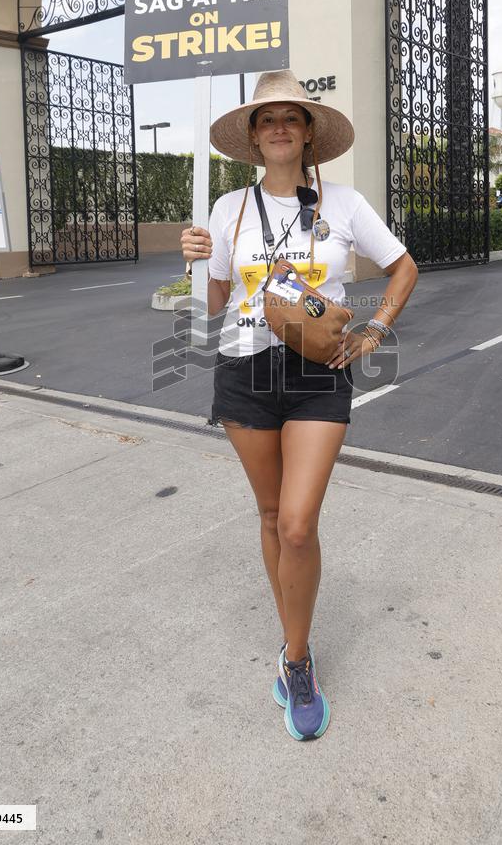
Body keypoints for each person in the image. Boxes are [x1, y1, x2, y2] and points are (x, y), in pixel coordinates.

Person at [181, 69, 418, 741]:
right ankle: (294, 641)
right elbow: (214, 307)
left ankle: (296, 659)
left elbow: (403, 267)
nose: (279, 127)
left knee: (296, 524)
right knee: (268, 513)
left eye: (291, 116)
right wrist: (194, 262)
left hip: (318, 373)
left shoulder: (344, 203)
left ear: (309, 132)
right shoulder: (228, 209)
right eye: (266, 118)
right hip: (243, 371)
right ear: (253, 137)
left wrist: (373, 330)